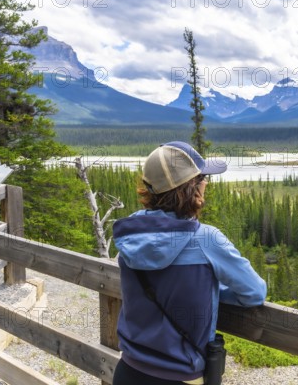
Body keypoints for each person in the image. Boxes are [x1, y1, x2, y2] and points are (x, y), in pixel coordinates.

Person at [112, 141, 267, 385]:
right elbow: (255, 293)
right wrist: (213, 291)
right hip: (179, 376)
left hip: (129, 370)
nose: (206, 183)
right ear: (191, 187)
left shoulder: (131, 232)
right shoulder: (207, 239)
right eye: (203, 178)